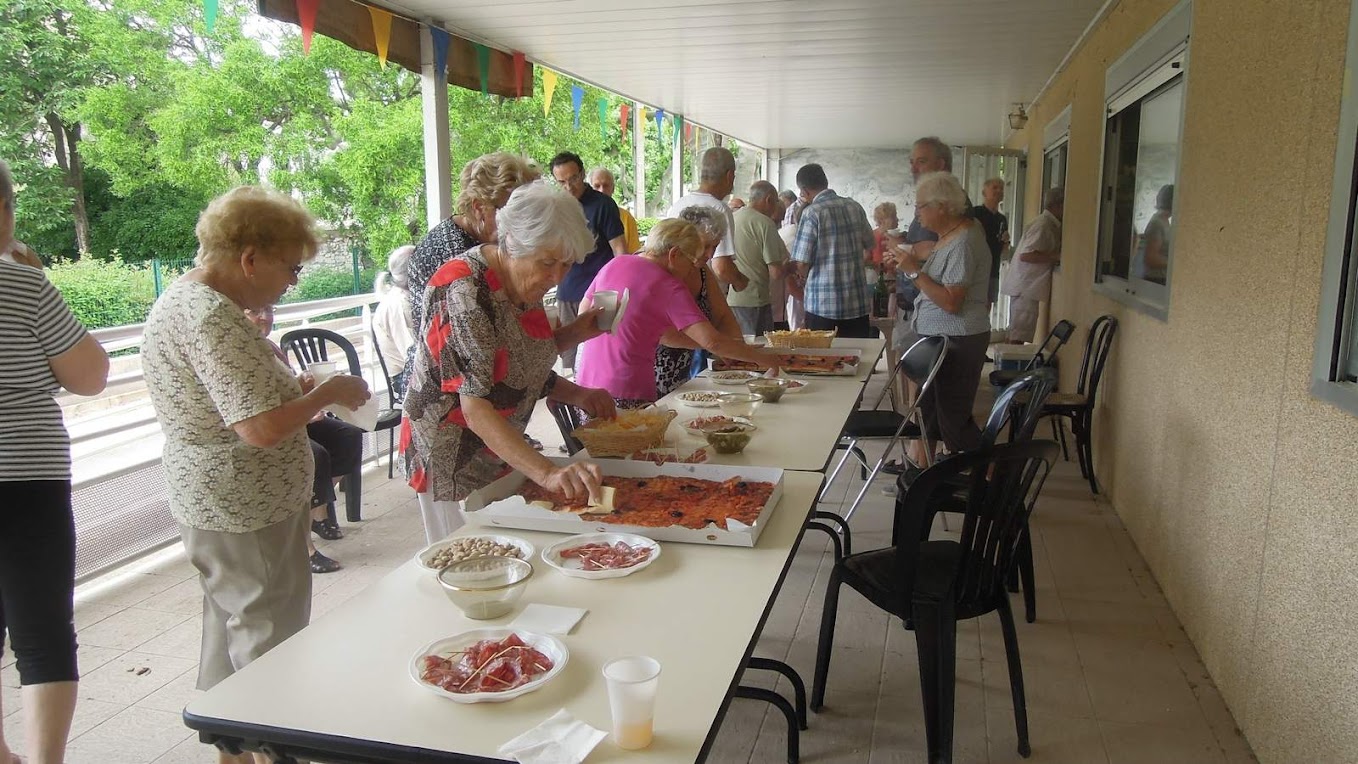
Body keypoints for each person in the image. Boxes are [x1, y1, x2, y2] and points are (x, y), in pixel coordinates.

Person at [141, 187, 371, 764]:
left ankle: (235, 748)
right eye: (290, 268)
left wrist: (291, 390)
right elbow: (259, 429)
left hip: (220, 498)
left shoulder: (186, 301)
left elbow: (231, 402)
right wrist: (328, 392)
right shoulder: (212, 316)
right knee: (268, 629)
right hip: (244, 500)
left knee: (229, 623)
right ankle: (276, 745)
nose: (291, 282)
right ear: (250, 258)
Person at [402, 182, 618, 544]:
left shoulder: (523, 279)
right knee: (472, 561)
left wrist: (577, 390)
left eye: (565, 264)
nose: (557, 277)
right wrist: (547, 473)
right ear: (512, 244)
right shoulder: (464, 289)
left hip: (499, 446)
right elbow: (474, 406)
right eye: (547, 263)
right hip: (451, 454)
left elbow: (518, 362)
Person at [0, 159, 110, 764]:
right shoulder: (20, 283)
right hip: (24, 477)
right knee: (41, 635)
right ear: (4, 210)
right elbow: (91, 374)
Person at [577, 219, 788, 407]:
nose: (692, 269)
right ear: (674, 254)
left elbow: (584, 312)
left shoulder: (616, 262)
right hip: (628, 390)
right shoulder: (667, 284)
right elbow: (712, 342)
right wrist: (766, 360)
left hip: (587, 387)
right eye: (692, 261)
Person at [404, 153, 541, 390]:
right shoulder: (453, 257)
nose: (520, 224)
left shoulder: (487, 244)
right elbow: (482, 344)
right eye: (510, 212)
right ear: (479, 207)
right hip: (444, 390)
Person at [887, 172, 992, 476]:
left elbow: (951, 301)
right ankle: (926, 476)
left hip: (958, 339)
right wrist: (912, 260)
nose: (917, 212)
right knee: (931, 416)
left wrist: (912, 272)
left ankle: (993, 480)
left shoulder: (965, 241)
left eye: (921, 206)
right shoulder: (952, 235)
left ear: (943, 206)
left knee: (953, 422)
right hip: (940, 339)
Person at [243, 305, 361, 574]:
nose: (264, 317)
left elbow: (288, 391)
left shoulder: (270, 347)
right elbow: (260, 411)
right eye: (254, 311)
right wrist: (309, 406)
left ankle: (317, 513)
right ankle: (305, 548)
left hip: (299, 419)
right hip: (278, 430)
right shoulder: (243, 354)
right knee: (315, 454)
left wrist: (305, 387)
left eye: (269, 310)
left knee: (348, 435)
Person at [653, 206, 744, 397]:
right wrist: (718, 346)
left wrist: (736, 352)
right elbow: (665, 334)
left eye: (716, 246)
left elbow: (723, 316)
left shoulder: (703, 272)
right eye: (706, 245)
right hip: (649, 373)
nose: (710, 254)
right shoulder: (659, 272)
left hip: (681, 376)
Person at [551, 152, 628, 374]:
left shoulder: (603, 204)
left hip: (599, 292)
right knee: (569, 357)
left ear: (583, 174)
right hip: (567, 291)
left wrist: (620, 290)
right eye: (561, 182)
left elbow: (620, 250)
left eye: (573, 179)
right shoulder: (556, 206)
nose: (568, 187)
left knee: (600, 353)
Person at [788, 163, 876, 337]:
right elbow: (869, 245)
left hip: (822, 305)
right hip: (856, 303)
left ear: (804, 191)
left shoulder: (812, 213)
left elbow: (802, 263)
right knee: (858, 359)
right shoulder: (854, 207)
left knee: (822, 360)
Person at [667, 147, 747, 293]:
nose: (708, 253)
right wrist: (740, 282)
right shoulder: (719, 209)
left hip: (678, 291)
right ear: (730, 176)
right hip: (706, 296)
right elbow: (721, 267)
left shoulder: (678, 205)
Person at [1002, 187, 1065, 343]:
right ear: (1058, 205)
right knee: (1018, 334)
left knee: (1017, 332)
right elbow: (1027, 255)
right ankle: (1011, 366)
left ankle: (1010, 364)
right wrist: (1056, 256)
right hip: (1026, 287)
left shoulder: (1047, 223)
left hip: (1026, 287)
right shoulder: (1044, 225)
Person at [728, 180, 790, 336]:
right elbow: (775, 273)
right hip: (756, 301)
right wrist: (793, 267)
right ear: (768, 199)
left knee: (740, 351)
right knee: (759, 353)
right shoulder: (764, 223)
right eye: (776, 202)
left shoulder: (732, 219)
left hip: (733, 299)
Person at [372, 244, 415, 390]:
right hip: (405, 378)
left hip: (413, 372)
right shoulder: (398, 304)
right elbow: (411, 355)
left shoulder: (403, 298)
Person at [971, 177, 1010, 304]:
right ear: (984, 192)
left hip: (993, 269)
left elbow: (1003, 248)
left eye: (1001, 189)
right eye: (994, 188)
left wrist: (1006, 242)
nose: (999, 191)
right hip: (974, 270)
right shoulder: (975, 214)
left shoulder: (1002, 219)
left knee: (988, 305)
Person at [589, 167, 641, 253]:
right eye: (597, 186)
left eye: (606, 186)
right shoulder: (582, 215)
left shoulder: (626, 217)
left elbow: (634, 252)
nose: (602, 190)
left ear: (613, 188)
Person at [1132, 184, 1172, 284]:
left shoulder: (1165, 221)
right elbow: (1151, 258)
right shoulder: (1157, 223)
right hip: (1156, 280)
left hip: (1162, 279)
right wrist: (1174, 262)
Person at [778, 203, 807, 330]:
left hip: (799, 295)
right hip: (798, 296)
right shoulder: (794, 238)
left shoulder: (787, 232)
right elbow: (788, 276)